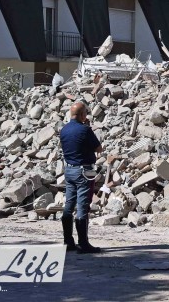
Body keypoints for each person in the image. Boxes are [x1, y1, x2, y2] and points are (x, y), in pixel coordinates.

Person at [60, 102, 103, 254]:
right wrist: (88, 128)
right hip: (84, 171)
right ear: (82, 114)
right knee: (82, 206)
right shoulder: (85, 130)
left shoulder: (64, 130)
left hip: (69, 171)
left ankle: (68, 242)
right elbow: (98, 148)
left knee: (69, 205)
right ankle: (83, 244)